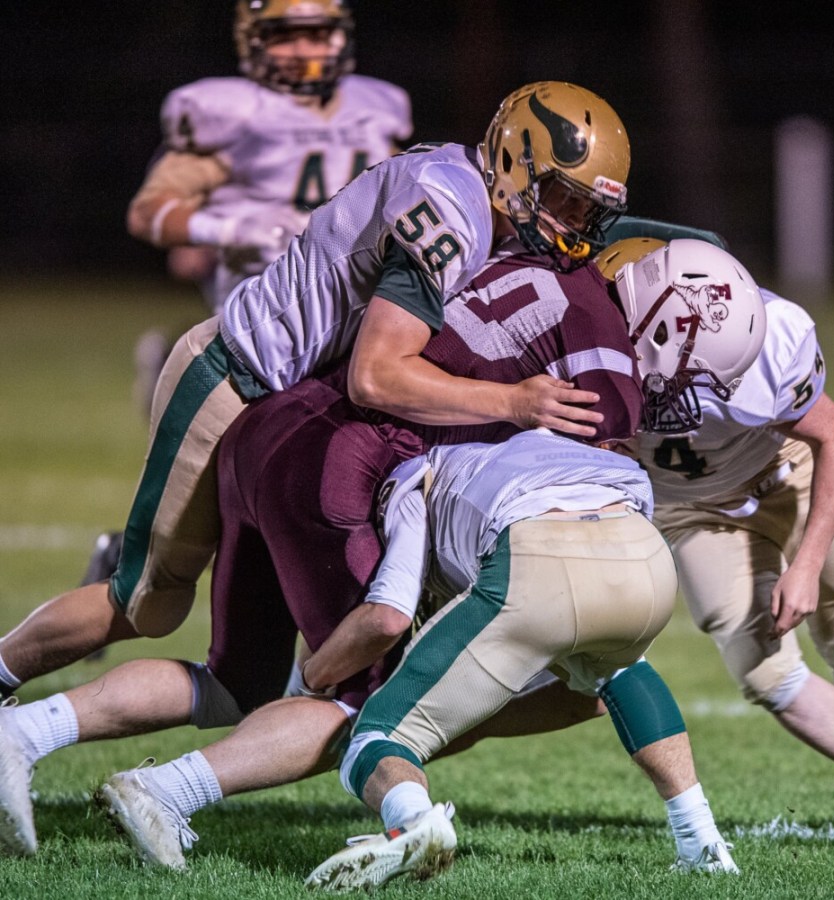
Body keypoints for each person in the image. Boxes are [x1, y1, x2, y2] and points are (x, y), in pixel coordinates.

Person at [0, 237, 688, 864]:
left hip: (270, 425)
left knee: (235, 681)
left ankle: (28, 730)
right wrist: (322, 675)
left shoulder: (492, 254)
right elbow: (384, 617)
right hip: (344, 461)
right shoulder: (591, 343)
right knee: (371, 707)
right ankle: (186, 794)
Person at [0, 80, 630, 701]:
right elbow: (376, 375)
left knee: (248, 675)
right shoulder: (451, 210)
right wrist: (514, 402)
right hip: (233, 379)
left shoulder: (473, 193)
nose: (570, 224)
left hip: (282, 409)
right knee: (147, 601)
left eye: (585, 211)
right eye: (561, 199)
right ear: (514, 161)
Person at [595, 237, 834, 849]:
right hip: (693, 508)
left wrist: (806, 565)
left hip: (789, 471)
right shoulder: (588, 333)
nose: (713, 384)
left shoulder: (770, 338)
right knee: (763, 668)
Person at [306, 428, 741, 891]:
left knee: (376, 735)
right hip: (646, 559)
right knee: (621, 669)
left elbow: (389, 613)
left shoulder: (408, 482)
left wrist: (312, 677)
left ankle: (413, 822)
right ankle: (703, 843)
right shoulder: (532, 447)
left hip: (537, 557)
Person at [80, 0, 416, 588]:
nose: (306, 50)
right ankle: (125, 565)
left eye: (318, 33)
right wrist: (231, 227)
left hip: (354, 330)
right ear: (253, 42)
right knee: (208, 524)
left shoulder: (376, 108)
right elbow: (148, 212)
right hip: (261, 342)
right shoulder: (230, 115)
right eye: (287, 36)